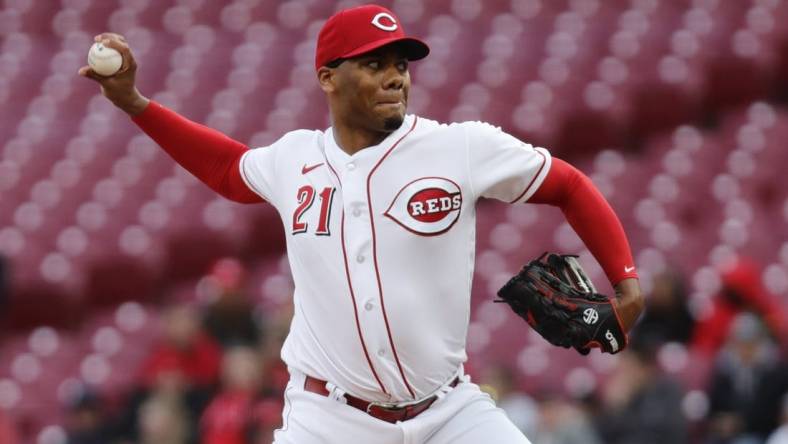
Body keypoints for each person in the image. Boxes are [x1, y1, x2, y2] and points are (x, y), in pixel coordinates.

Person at [79, 4, 643, 443]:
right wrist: (135, 103)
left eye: (401, 64)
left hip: (448, 410)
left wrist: (625, 281)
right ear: (328, 78)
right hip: (330, 418)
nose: (395, 76)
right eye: (374, 64)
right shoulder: (294, 158)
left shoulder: (458, 148)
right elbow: (227, 168)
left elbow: (568, 184)